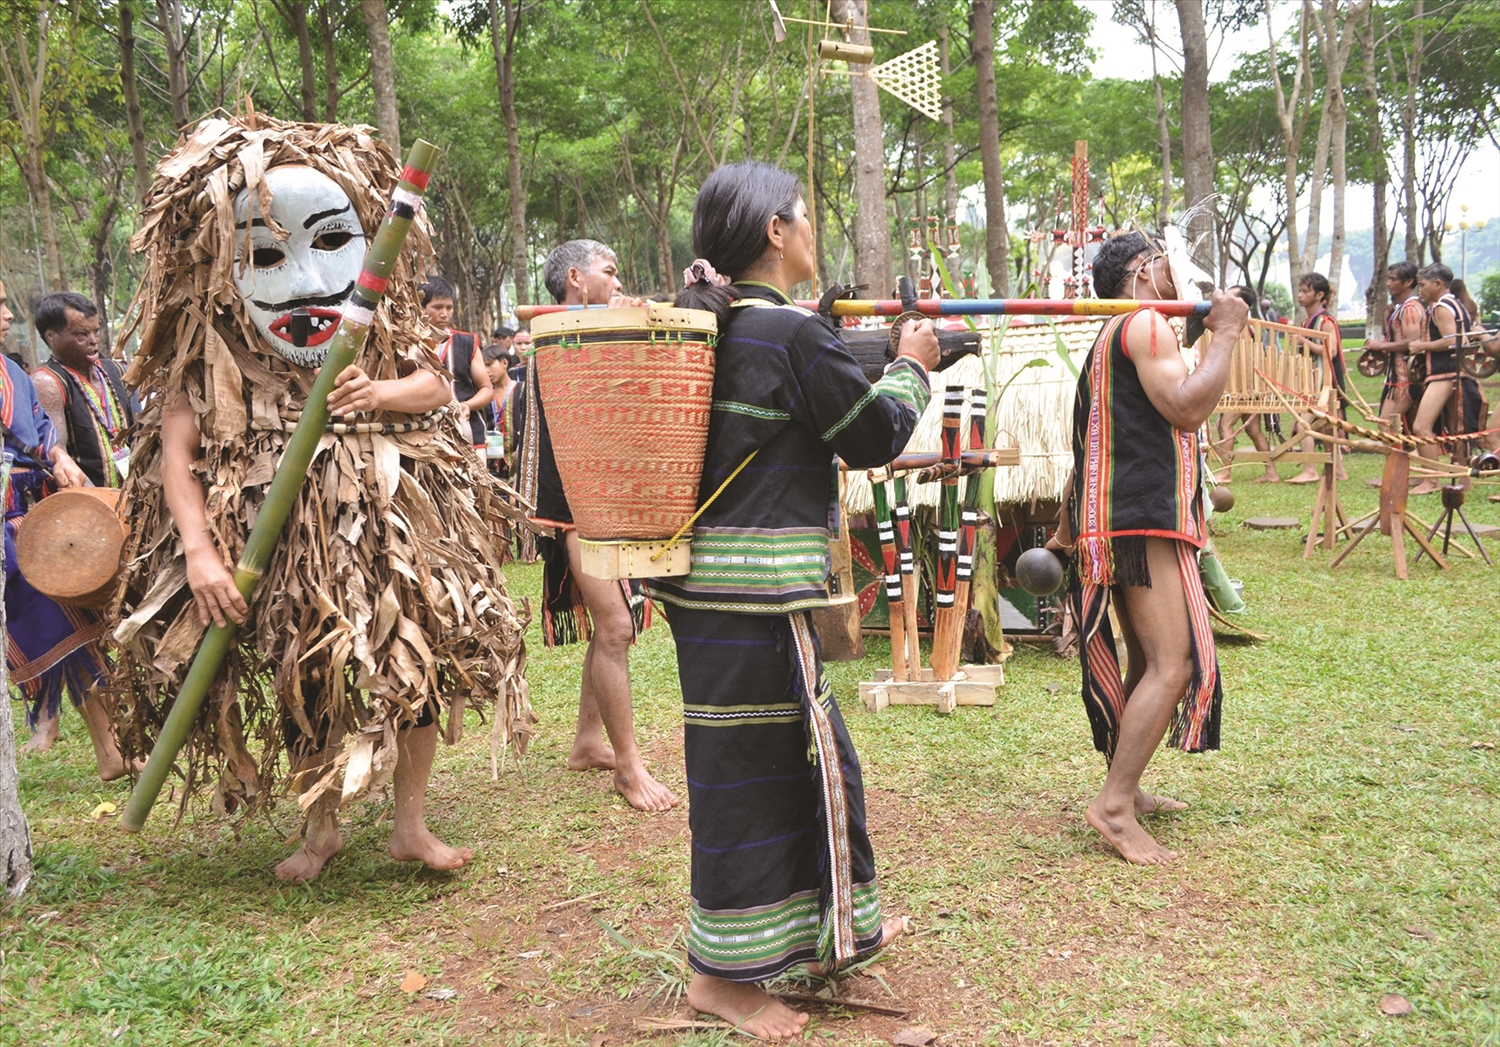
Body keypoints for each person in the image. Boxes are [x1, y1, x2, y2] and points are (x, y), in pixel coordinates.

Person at [106, 113, 531, 883]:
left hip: (386, 518)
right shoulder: (209, 341)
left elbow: (433, 381)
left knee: (416, 668)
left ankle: (410, 824)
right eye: (266, 254)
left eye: (328, 243)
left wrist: (382, 389)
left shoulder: (373, 324)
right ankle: (320, 828)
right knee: (305, 673)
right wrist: (200, 554)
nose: (302, 278)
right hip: (270, 535)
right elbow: (177, 453)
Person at [655, 161, 935, 1039]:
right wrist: (914, 365)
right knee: (748, 781)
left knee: (799, 765)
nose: (814, 228)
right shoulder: (786, 332)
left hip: (718, 594)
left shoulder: (729, 322)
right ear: (776, 231)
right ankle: (720, 979)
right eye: (805, 215)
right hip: (754, 598)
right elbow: (875, 436)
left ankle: (815, 935)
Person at [1061, 231, 1249, 866]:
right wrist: (1225, 335)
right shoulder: (1144, 324)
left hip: (1121, 519)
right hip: (1141, 521)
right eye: (1172, 266)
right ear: (1142, 273)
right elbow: (1187, 407)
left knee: (1147, 661)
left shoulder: (1120, 331)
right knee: (1175, 663)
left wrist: (1204, 334)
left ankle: (1128, 788)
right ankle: (1112, 805)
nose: (1184, 277)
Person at [518, 239, 677, 813]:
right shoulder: (554, 336)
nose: (617, 281)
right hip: (573, 503)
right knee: (615, 627)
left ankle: (589, 741)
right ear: (577, 279)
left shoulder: (591, 331)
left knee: (608, 627)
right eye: (609, 272)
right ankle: (629, 769)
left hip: (599, 496)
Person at [0, 280, 131, 778]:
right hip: (12, 528)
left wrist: (56, 457)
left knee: (78, 631)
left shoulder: (10, 372)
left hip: (35, 517)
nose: (10, 316)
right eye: (0, 306)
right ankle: (107, 748)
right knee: (61, 632)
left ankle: (111, 750)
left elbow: (42, 435)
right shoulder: (40, 377)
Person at [31, 292, 135, 489]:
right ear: (51, 337)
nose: (93, 340)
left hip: (133, 498)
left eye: (96, 331)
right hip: (86, 506)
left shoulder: (116, 370)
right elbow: (56, 451)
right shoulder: (48, 382)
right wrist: (99, 502)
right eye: (82, 334)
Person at [1407, 264, 1471, 496]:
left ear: (1437, 284)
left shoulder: (1441, 308)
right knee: (1457, 430)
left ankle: (1431, 480)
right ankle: (1464, 481)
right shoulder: (1457, 304)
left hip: (1444, 374)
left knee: (1421, 426)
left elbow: (1454, 340)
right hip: (1456, 372)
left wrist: (1422, 346)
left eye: (1423, 285)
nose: (1420, 289)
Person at [1212, 285, 1277, 482]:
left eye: (1230, 297)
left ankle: (1225, 472)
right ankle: (1271, 472)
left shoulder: (1237, 326)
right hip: (1248, 386)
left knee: (1226, 426)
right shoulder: (1245, 325)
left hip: (1242, 387)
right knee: (1253, 430)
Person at [420, 277, 493, 450]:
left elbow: (487, 389)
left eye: (449, 307)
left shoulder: (467, 342)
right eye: (437, 307)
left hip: (469, 434)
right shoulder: (407, 344)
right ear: (420, 307)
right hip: (422, 437)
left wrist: (467, 405)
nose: (444, 313)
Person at [1287, 273, 1346, 484]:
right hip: (1312, 381)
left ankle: (1310, 470)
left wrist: (1303, 340)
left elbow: (1330, 352)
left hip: (1323, 383)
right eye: (1300, 290)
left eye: (1305, 291)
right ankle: (1338, 470)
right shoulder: (1308, 320)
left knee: (1304, 423)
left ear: (1320, 295)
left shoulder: (1325, 321)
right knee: (1325, 428)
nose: (1300, 295)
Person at [1364, 261, 1427, 435]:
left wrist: (1381, 345)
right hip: (1398, 377)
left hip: (1404, 378)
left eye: (1393, 279)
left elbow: (1413, 341)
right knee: (1396, 426)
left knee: (1387, 425)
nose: (1388, 284)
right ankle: (1403, 461)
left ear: (1408, 282)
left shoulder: (1410, 308)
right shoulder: (1403, 308)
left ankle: (1399, 462)